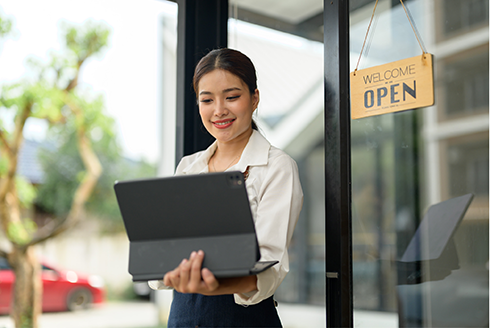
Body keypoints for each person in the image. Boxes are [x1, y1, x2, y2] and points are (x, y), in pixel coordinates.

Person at [149, 48, 303, 327]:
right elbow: (167, 245)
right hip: (183, 316)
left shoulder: (276, 167)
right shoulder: (187, 167)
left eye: (232, 97)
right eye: (207, 100)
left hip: (244, 318)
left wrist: (215, 285)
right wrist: (163, 268)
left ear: (254, 98)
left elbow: (271, 266)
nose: (219, 110)